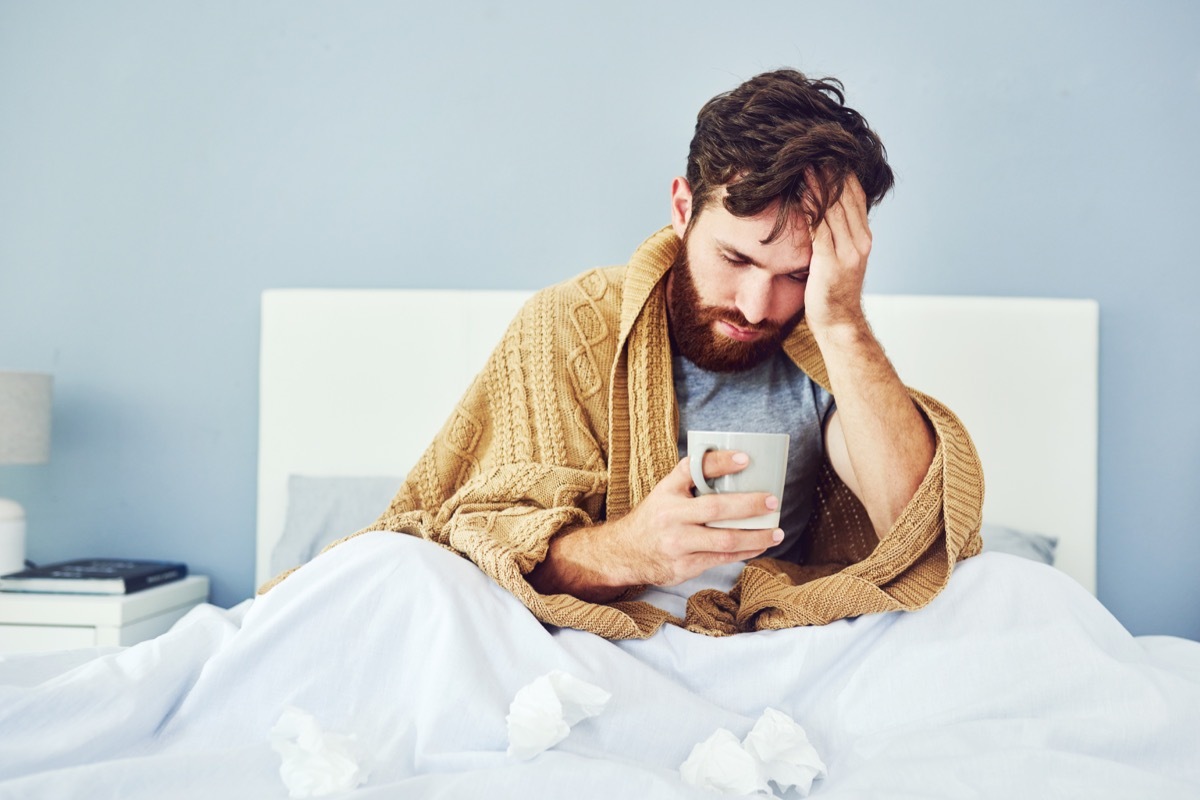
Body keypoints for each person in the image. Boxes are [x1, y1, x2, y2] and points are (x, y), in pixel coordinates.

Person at [263, 69, 984, 638]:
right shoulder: (572, 324)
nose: (760, 306)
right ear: (682, 210)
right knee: (392, 567)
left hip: (771, 638)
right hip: (587, 638)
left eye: (795, 275)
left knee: (1010, 591)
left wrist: (844, 321)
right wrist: (635, 549)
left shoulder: (825, 352)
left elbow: (918, 537)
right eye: (735, 258)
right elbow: (480, 540)